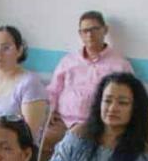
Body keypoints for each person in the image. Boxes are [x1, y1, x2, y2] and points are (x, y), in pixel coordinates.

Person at [44, 11, 134, 152]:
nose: (89, 35)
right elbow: (53, 90)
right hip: (63, 122)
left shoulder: (120, 65)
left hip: (97, 126)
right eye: (85, 31)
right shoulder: (68, 61)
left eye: (94, 29)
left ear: (105, 30)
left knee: (83, 150)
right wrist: (49, 111)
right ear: (80, 34)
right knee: (43, 139)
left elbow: (130, 99)